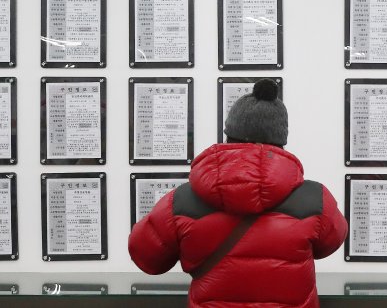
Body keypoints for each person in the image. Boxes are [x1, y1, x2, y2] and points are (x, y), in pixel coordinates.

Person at [129, 78, 348, 308]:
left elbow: (147, 258)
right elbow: (329, 244)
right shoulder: (315, 199)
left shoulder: (182, 201)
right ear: (281, 140)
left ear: (229, 135)